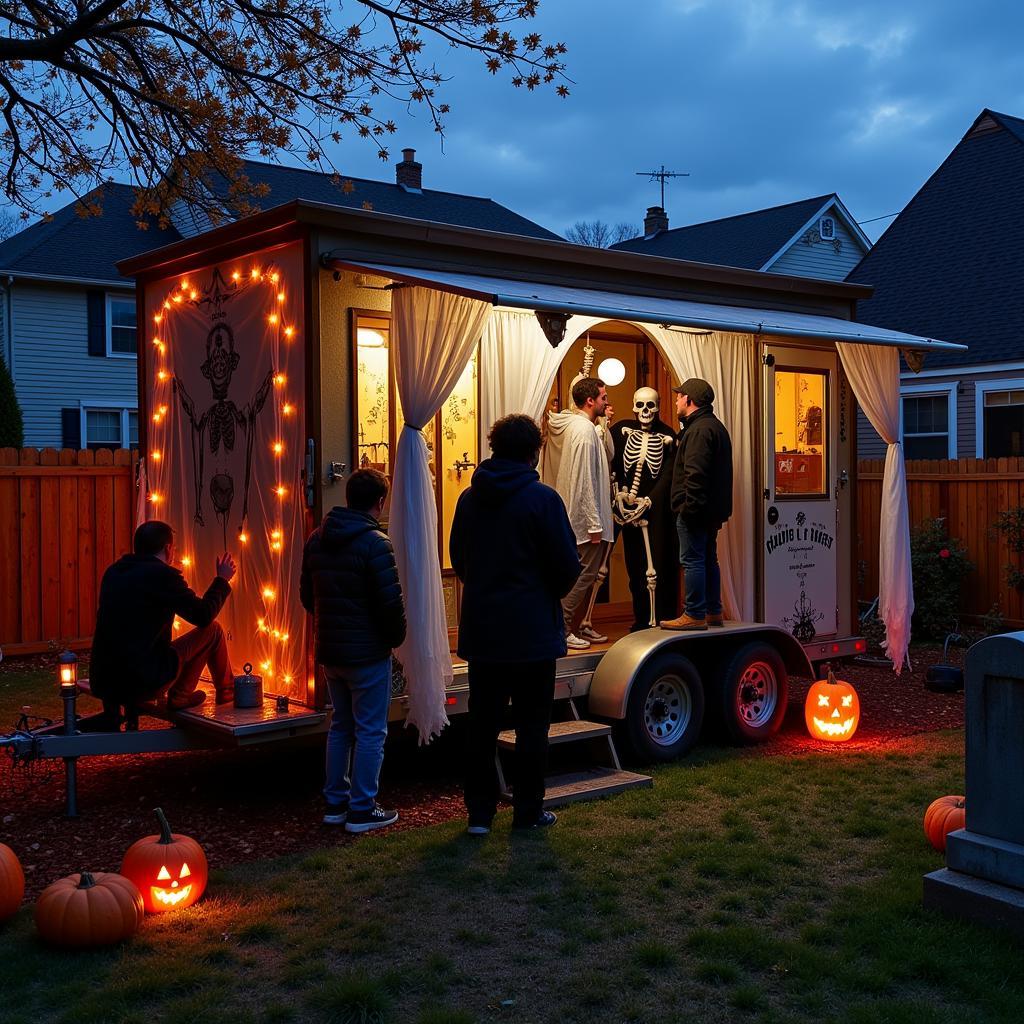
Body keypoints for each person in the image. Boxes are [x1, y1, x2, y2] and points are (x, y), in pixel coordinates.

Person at [450, 414, 581, 834]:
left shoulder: (469, 500)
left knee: (482, 725)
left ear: (493, 447)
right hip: (532, 634)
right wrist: (546, 594)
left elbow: (459, 561)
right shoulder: (543, 500)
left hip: (485, 630)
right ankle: (527, 811)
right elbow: (566, 565)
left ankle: (479, 815)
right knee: (531, 727)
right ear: (533, 452)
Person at [300, 468, 406, 834]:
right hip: (367, 653)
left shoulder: (317, 539)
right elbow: (389, 604)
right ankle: (362, 808)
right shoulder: (376, 543)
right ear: (380, 502)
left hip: (331, 651)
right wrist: (395, 639)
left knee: (341, 726)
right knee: (372, 730)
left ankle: (335, 803)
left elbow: (306, 595)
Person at [90, 520, 236, 725]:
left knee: (200, 636)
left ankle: (182, 695)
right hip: (142, 679)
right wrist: (222, 580)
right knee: (212, 630)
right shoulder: (162, 576)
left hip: (105, 679)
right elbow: (203, 615)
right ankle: (225, 691)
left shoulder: (113, 572)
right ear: (168, 549)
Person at [543, 377, 615, 649]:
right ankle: (561, 627)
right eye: (603, 398)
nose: (606, 402)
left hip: (579, 516)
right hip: (585, 521)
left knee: (581, 573)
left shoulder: (577, 426)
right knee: (582, 574)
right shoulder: (584, 432)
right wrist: (594, 523)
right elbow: (585, 479)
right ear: (590, 401)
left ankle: (567, 626)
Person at [659, 378, 733, 632]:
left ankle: (694, 613)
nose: (677, 400)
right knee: (708, 559)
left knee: (692, 560)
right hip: (711, 510)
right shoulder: (714, 426)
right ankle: (713, 611)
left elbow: (696, 473)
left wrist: (689, 509)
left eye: (680, 396)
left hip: (696, 511)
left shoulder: (699, 430)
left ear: (689, 400)